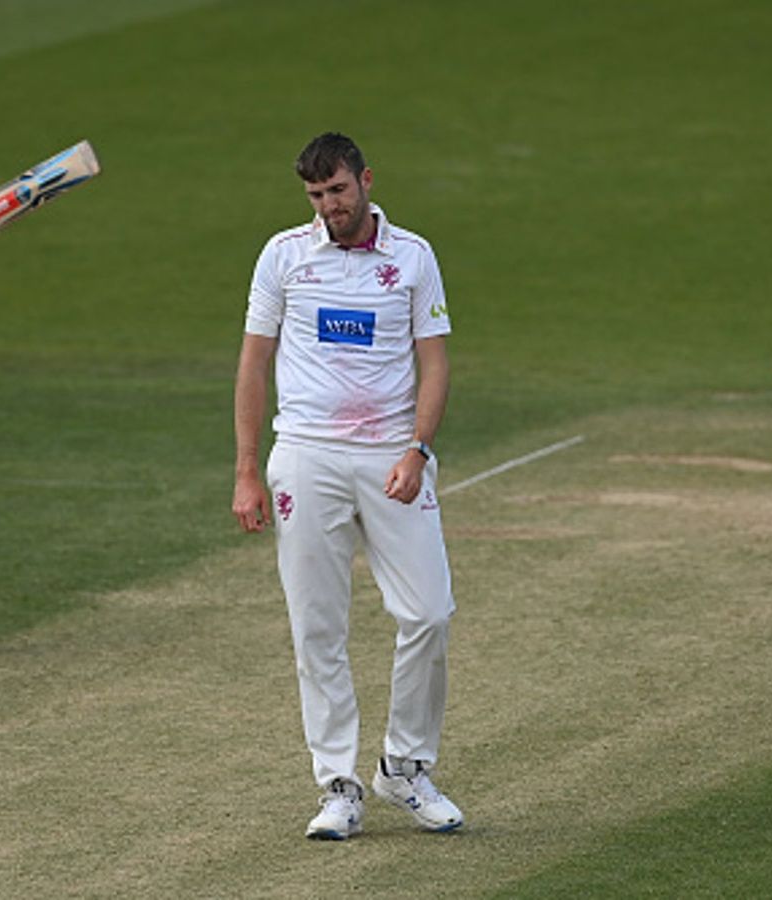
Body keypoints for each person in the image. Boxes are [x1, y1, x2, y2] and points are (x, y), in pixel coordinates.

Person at [232, 132, 464, 840]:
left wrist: (419, 449)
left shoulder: (413, 257)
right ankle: (339, 782)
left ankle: (405, 769)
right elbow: (253, 364)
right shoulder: (284, 257)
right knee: (317, 626)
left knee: (429, 613)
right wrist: (247, 470)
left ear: (364, 180)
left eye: (337, 191)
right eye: (315, 196)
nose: (328, 206)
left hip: (392, 458)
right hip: (306, 455)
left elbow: (434, 364)